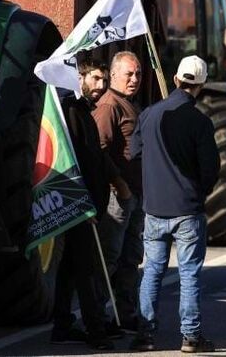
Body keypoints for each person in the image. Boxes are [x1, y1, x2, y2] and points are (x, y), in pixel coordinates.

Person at [129, 55, 220, 353]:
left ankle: (145, 334)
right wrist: (199, 191)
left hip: (154, 207)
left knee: (152, 270)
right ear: (201, 85)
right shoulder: (200, 122)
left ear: (176, 79)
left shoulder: (149, 115)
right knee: (189, 273)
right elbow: (210, 170)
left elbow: (133, 154)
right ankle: (191, 337)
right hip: (188, 209)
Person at [50, 60, 119, 349]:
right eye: (95, 79)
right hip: (81, 203)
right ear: (79, 78)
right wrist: (86, 202)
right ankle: (96, 331)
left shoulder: (84, 112)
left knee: (69, 265)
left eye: (104, 80)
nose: (101, 86)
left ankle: (62, 324)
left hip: (88, 202)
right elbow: (78, 162)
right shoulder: (71, 112)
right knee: (85, 267)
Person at [92, 51, 143, 334]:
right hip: (117, 196)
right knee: (108, 258)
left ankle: (126, 315)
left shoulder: (130, 104)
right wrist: (120, 185)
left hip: (134, 195)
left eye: (137, 74)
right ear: (114, 75)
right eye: (128, 74)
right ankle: (98, 317)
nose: (134, 79)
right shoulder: (110, 105)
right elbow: (98, 149)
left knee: (130, 259)